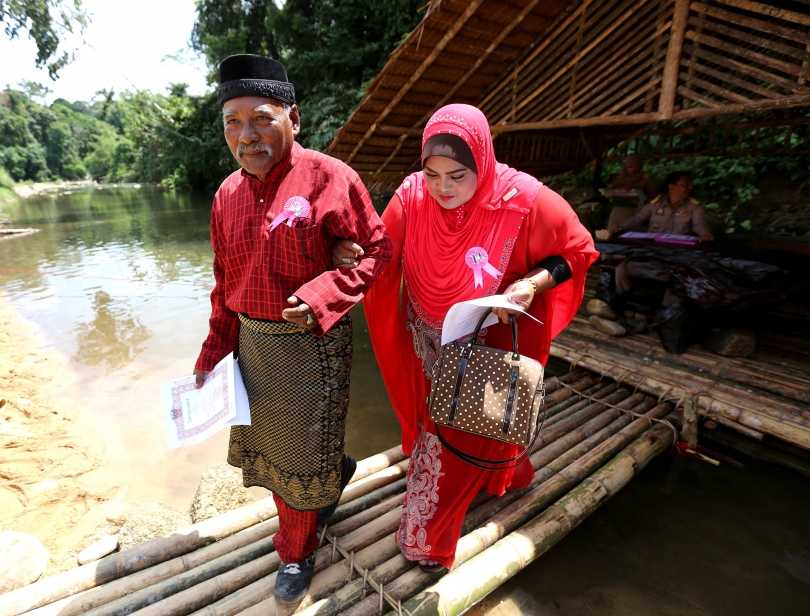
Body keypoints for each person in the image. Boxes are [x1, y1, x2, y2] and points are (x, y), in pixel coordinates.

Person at [337, 104, 598, 571]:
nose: (443, 189)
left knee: (460, 432)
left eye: (457, 176)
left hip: (491, 336)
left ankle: (431, 537)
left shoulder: (525, 198)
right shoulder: (412, 195)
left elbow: (576, 252)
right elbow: (383, 251)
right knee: (457, 421)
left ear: (483, 158)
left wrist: (531, 284)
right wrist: (351, 254)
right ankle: (498, 479)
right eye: (432, 174)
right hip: (428, 335)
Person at [193, 54, 390, 603]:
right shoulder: (226, 195)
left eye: (260, 118)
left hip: (313, 346)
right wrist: (212, 356)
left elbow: (378, 250)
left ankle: (296, 553)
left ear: (293, 119)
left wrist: (325, 292)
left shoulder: (331, 178)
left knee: (300, 461)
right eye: (232, 123)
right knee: (273, 455)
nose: (246, 135)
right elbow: (222, 285)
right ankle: (336, 472)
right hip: (253, 345)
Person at [614, 170, 714, 241]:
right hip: (652, 248)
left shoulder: (694, 207)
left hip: (679, 250)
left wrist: (705, 235)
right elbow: (637, 218)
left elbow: (700, 226)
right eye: (684, 185)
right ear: (671, 187)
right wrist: (619, 229)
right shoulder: (655, 204)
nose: (690, 188)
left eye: (690, 185)